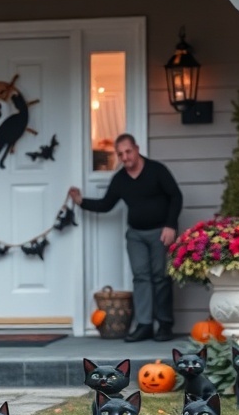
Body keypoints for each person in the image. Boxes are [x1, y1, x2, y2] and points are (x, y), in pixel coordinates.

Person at [69, 133, 183, 343]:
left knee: (161, 278)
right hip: (136, 234)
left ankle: (165, 325)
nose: (125, 157)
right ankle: (144, 325)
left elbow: (176, 196)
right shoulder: (120, 179)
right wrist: (81, 201)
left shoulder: (157, 170)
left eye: (128, 152)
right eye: (120, 154)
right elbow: (106, 205)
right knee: (140, 278)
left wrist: (171, 225)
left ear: (137, 149)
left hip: (160, 232)